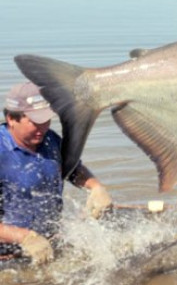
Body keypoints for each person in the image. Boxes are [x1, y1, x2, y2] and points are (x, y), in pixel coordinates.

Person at [0, 81, 113, 264]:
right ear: (12, 119)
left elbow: (73, 168)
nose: (43, 127)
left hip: (49, 243)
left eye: (46, 120)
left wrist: (95, 186)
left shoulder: (49, 139)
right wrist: (25, 237)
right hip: (7, 257)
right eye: (35, 122)